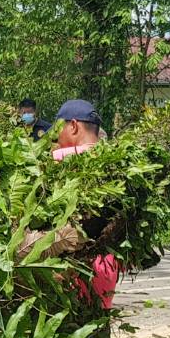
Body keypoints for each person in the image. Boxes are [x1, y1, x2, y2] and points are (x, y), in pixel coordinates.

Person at [50, 99, 119, 308]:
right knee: (97, 323)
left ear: (73, 126)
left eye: (57, 131)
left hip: (72, 265)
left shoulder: (58, 159)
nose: (56, 138)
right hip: (107, 264)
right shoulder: (116, 162)